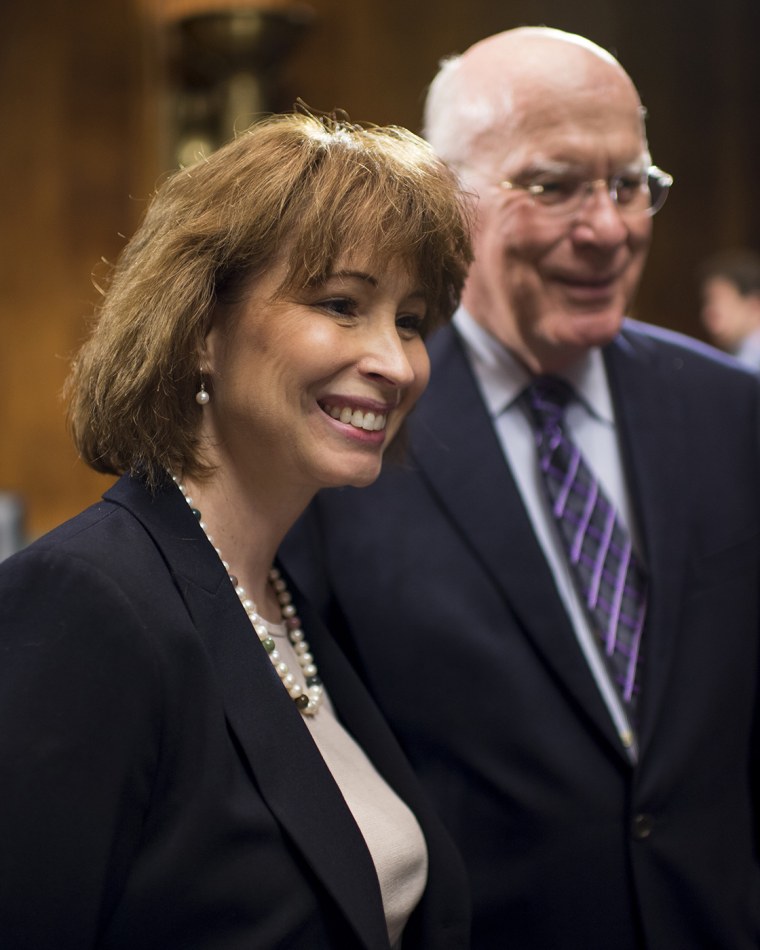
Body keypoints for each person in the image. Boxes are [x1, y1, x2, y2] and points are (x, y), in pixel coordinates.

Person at [281, 28, 760, 950]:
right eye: (554, 186)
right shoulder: (348, 440)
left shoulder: (730, 414)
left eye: (630, 185)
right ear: (446, 202)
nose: (609, 228)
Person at [0, 112, 473, 949]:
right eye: (341, 304)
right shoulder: (86, 602)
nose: (396, 364)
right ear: (201, 330)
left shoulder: (289, 597)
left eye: (409, 319)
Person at [699, 247, 760, 370]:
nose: (708, 312)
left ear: (754, 305)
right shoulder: (738, 356)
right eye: (707, 302)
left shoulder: (749, 362)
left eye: (719, 300)